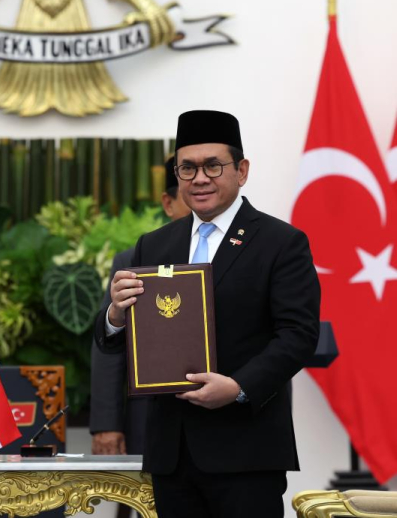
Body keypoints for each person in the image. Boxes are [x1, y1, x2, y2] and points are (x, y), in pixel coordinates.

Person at [94, 110, 320, 518]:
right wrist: (115, 314)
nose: (199, 178)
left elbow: (298, 336)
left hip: (246, 451)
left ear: (241, 170)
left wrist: (238, 387)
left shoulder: (280, 242)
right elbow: (116, 341)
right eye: (188, 168)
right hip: (171, 453)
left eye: (213, 166)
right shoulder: (153, 245)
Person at [90, 155, 190, 457]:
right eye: (189, 194)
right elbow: (110, 343)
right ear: (168, 203)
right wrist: (107, 423)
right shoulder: (136, 259)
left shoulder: (244, 252)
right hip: (151, 418)